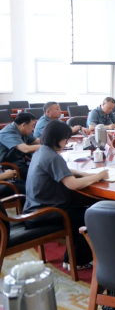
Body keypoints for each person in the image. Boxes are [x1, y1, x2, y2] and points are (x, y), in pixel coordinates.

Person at [23, 120, 108, 271]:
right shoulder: (52, 157)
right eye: (65, 139)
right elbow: (72, 185)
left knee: (83, 208)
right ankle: (78, 260)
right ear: (57, 139)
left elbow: (61, 170)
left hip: (35, 208)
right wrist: (98, 176)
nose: (66, 143)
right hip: (46, 213)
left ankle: (71, 258)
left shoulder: (42, 151)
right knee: (91, 214)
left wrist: (83, 174)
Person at [0, 112, 40, 188]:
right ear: (24, 125)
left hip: (19, 162)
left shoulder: (23, 132)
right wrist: (47, 147)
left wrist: (54, 142)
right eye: (32, 126)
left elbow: (38, 141)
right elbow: (26, 149)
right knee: (39, 176)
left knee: (41, 171)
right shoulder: (7, 132)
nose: (33, 129)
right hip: (8, 166)